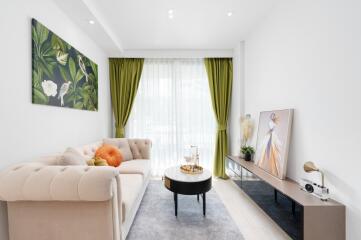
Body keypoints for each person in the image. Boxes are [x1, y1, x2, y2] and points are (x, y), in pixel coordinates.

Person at [256, 113, 282, 178]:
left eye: (273, 116)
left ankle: (272, 167)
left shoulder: (274, 122)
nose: (273, 117)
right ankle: (266, 163)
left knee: (272, 148)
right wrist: (268, 132)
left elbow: (272, 129)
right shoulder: (271, 122)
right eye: (272, 116)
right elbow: (271, 129)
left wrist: (269, 132)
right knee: (266, 148)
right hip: (270, 135)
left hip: (272, 135)